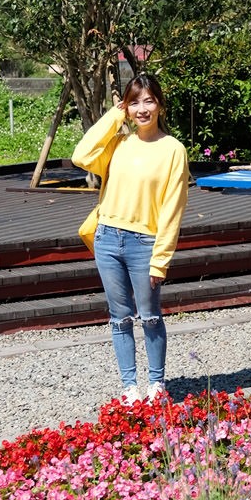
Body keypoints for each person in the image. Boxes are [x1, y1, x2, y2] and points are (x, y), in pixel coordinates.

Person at [71, 74, 189, 403]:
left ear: (160, 105)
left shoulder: (173, 150)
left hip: (145, 242)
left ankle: (156, 385)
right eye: (134, 102)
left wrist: (161, 258)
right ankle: (129, 388)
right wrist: (114, 115)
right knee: (119, 317)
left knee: (150, 316)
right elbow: (81, 155)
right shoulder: (119, 144)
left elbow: (172, 209)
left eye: (148, 100)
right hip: (108, 237)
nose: (141, 109)